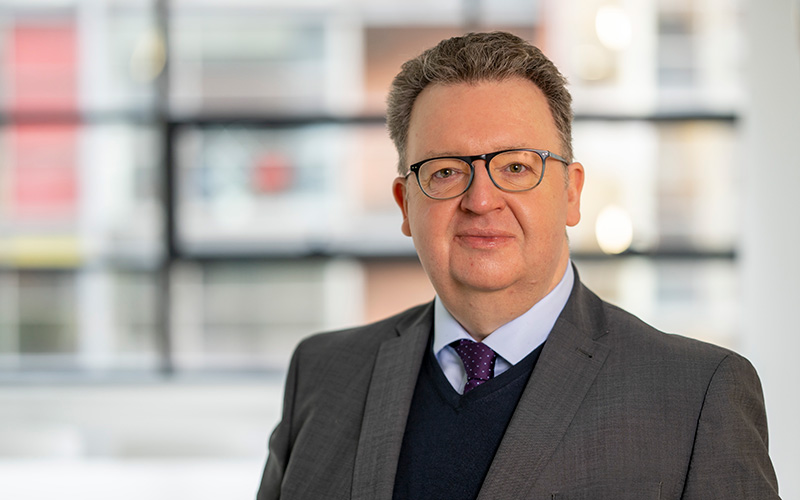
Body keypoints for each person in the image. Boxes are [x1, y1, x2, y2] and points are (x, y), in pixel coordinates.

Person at [257, 31, 779, 499]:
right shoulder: (322, 374)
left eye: (515, 167)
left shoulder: (696, 396)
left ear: (571, 193)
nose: (481, 200)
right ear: (405, 206)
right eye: (445, 172)